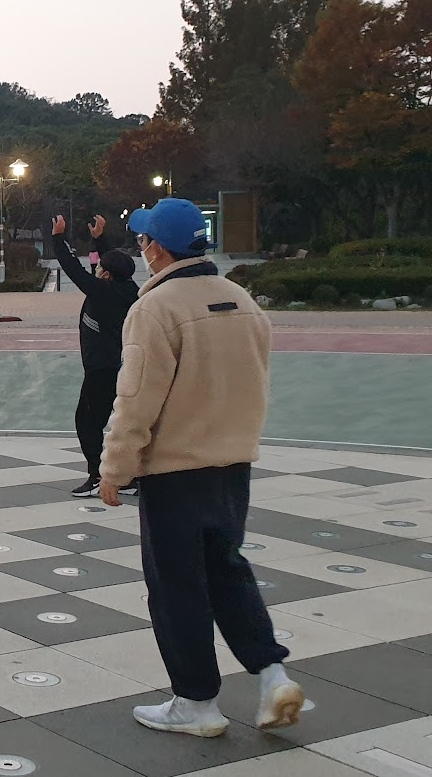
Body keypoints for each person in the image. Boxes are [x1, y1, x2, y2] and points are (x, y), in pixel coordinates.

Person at [99, 197, 304, 738]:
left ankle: (196, 703)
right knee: (228, 572)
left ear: (157, 248)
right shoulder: (242, 300)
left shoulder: (155, 309)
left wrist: (114, 467)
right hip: (232, 466)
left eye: (144, 240)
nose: (141, 248)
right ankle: (273, 676)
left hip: (175, 470)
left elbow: (136, 399)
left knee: (177, 588)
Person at [51, 214, 140, 497]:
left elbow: (73, 269)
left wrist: (58, 238)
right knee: (119, 423)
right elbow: (115, 263)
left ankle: (97, 476)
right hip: (123, 367)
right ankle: (127, 478)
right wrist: (100, 239)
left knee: (87, 422)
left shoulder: (103, 292)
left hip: (102, 369)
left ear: (106, 274)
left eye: (100, 266)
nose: (97, 267)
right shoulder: (128, 288)